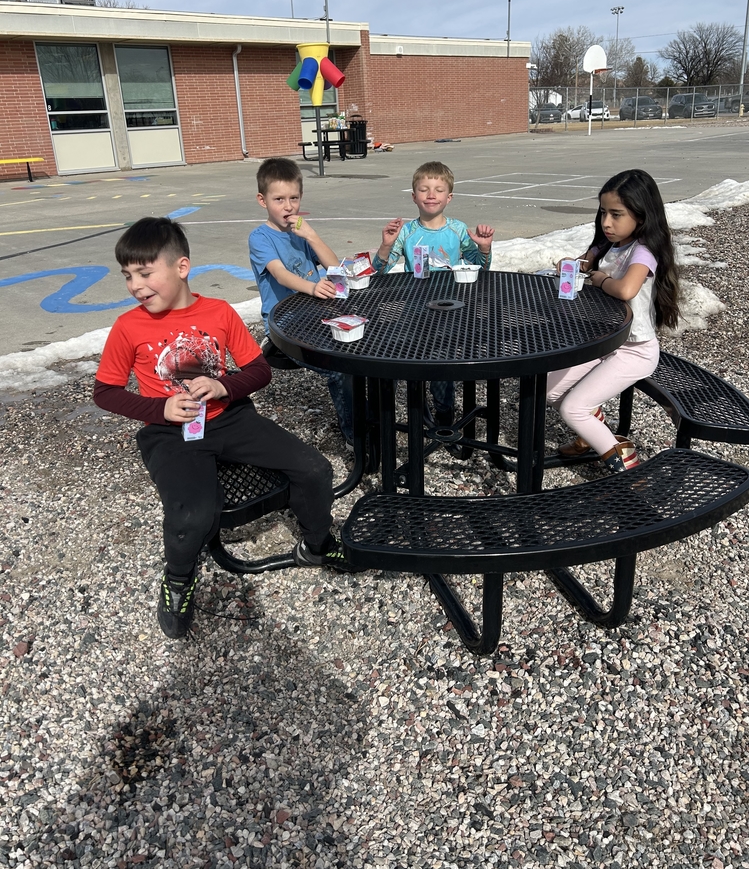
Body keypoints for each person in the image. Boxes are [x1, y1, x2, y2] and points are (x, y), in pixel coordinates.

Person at [93, 216, 355, 641]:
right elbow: (105, 392)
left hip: (230, 418)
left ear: (181, 267)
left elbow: (258, 371)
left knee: (315, 469)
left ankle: (317, 544)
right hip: (169, 434)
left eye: (144, 272)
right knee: (192, 514)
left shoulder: (218, 312)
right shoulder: (129, 326)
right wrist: (160, 409)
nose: (136, 285)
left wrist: (223, 385)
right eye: (127, 276)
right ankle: (179, 578)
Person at [547, 168, 680, 472]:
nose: (606, 222)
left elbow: (625, 289)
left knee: (573, 407)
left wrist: (600, 279)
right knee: (550, 389)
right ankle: (589, 435)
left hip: (635, 350)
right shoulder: (607, 244)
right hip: (606, 342)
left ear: (642, 216)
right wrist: (570, 264)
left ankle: (628, 470)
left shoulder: (643, 252)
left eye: (616, 214)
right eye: (603, 212)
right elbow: (583, 261)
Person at [372, 161, 495, 425]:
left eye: (438, 189)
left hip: (450, 311)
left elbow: (479, 270)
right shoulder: (407, 231)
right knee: (407, 359)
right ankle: (410, 414)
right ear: (413, 196)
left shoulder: (458, 230)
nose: (431, 194)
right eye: (424, 189)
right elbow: (379, 272)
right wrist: (385, 246)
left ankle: (444, 415)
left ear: (448, 197)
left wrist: (484, 249)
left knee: (442, 365)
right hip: (413, 309)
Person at [248, 157, 354, 446]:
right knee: (339, 367)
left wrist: (313, 236)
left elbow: (337, 271)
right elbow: (281, 275)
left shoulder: (302, 233)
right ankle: (354, 435)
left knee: (364, 349)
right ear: (263, 200)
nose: (288, 206)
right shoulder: (260, 238)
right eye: (279, 199)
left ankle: (368, 413)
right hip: (284, 321)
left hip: (317, 312)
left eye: (293, 198)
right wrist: (313, 287)